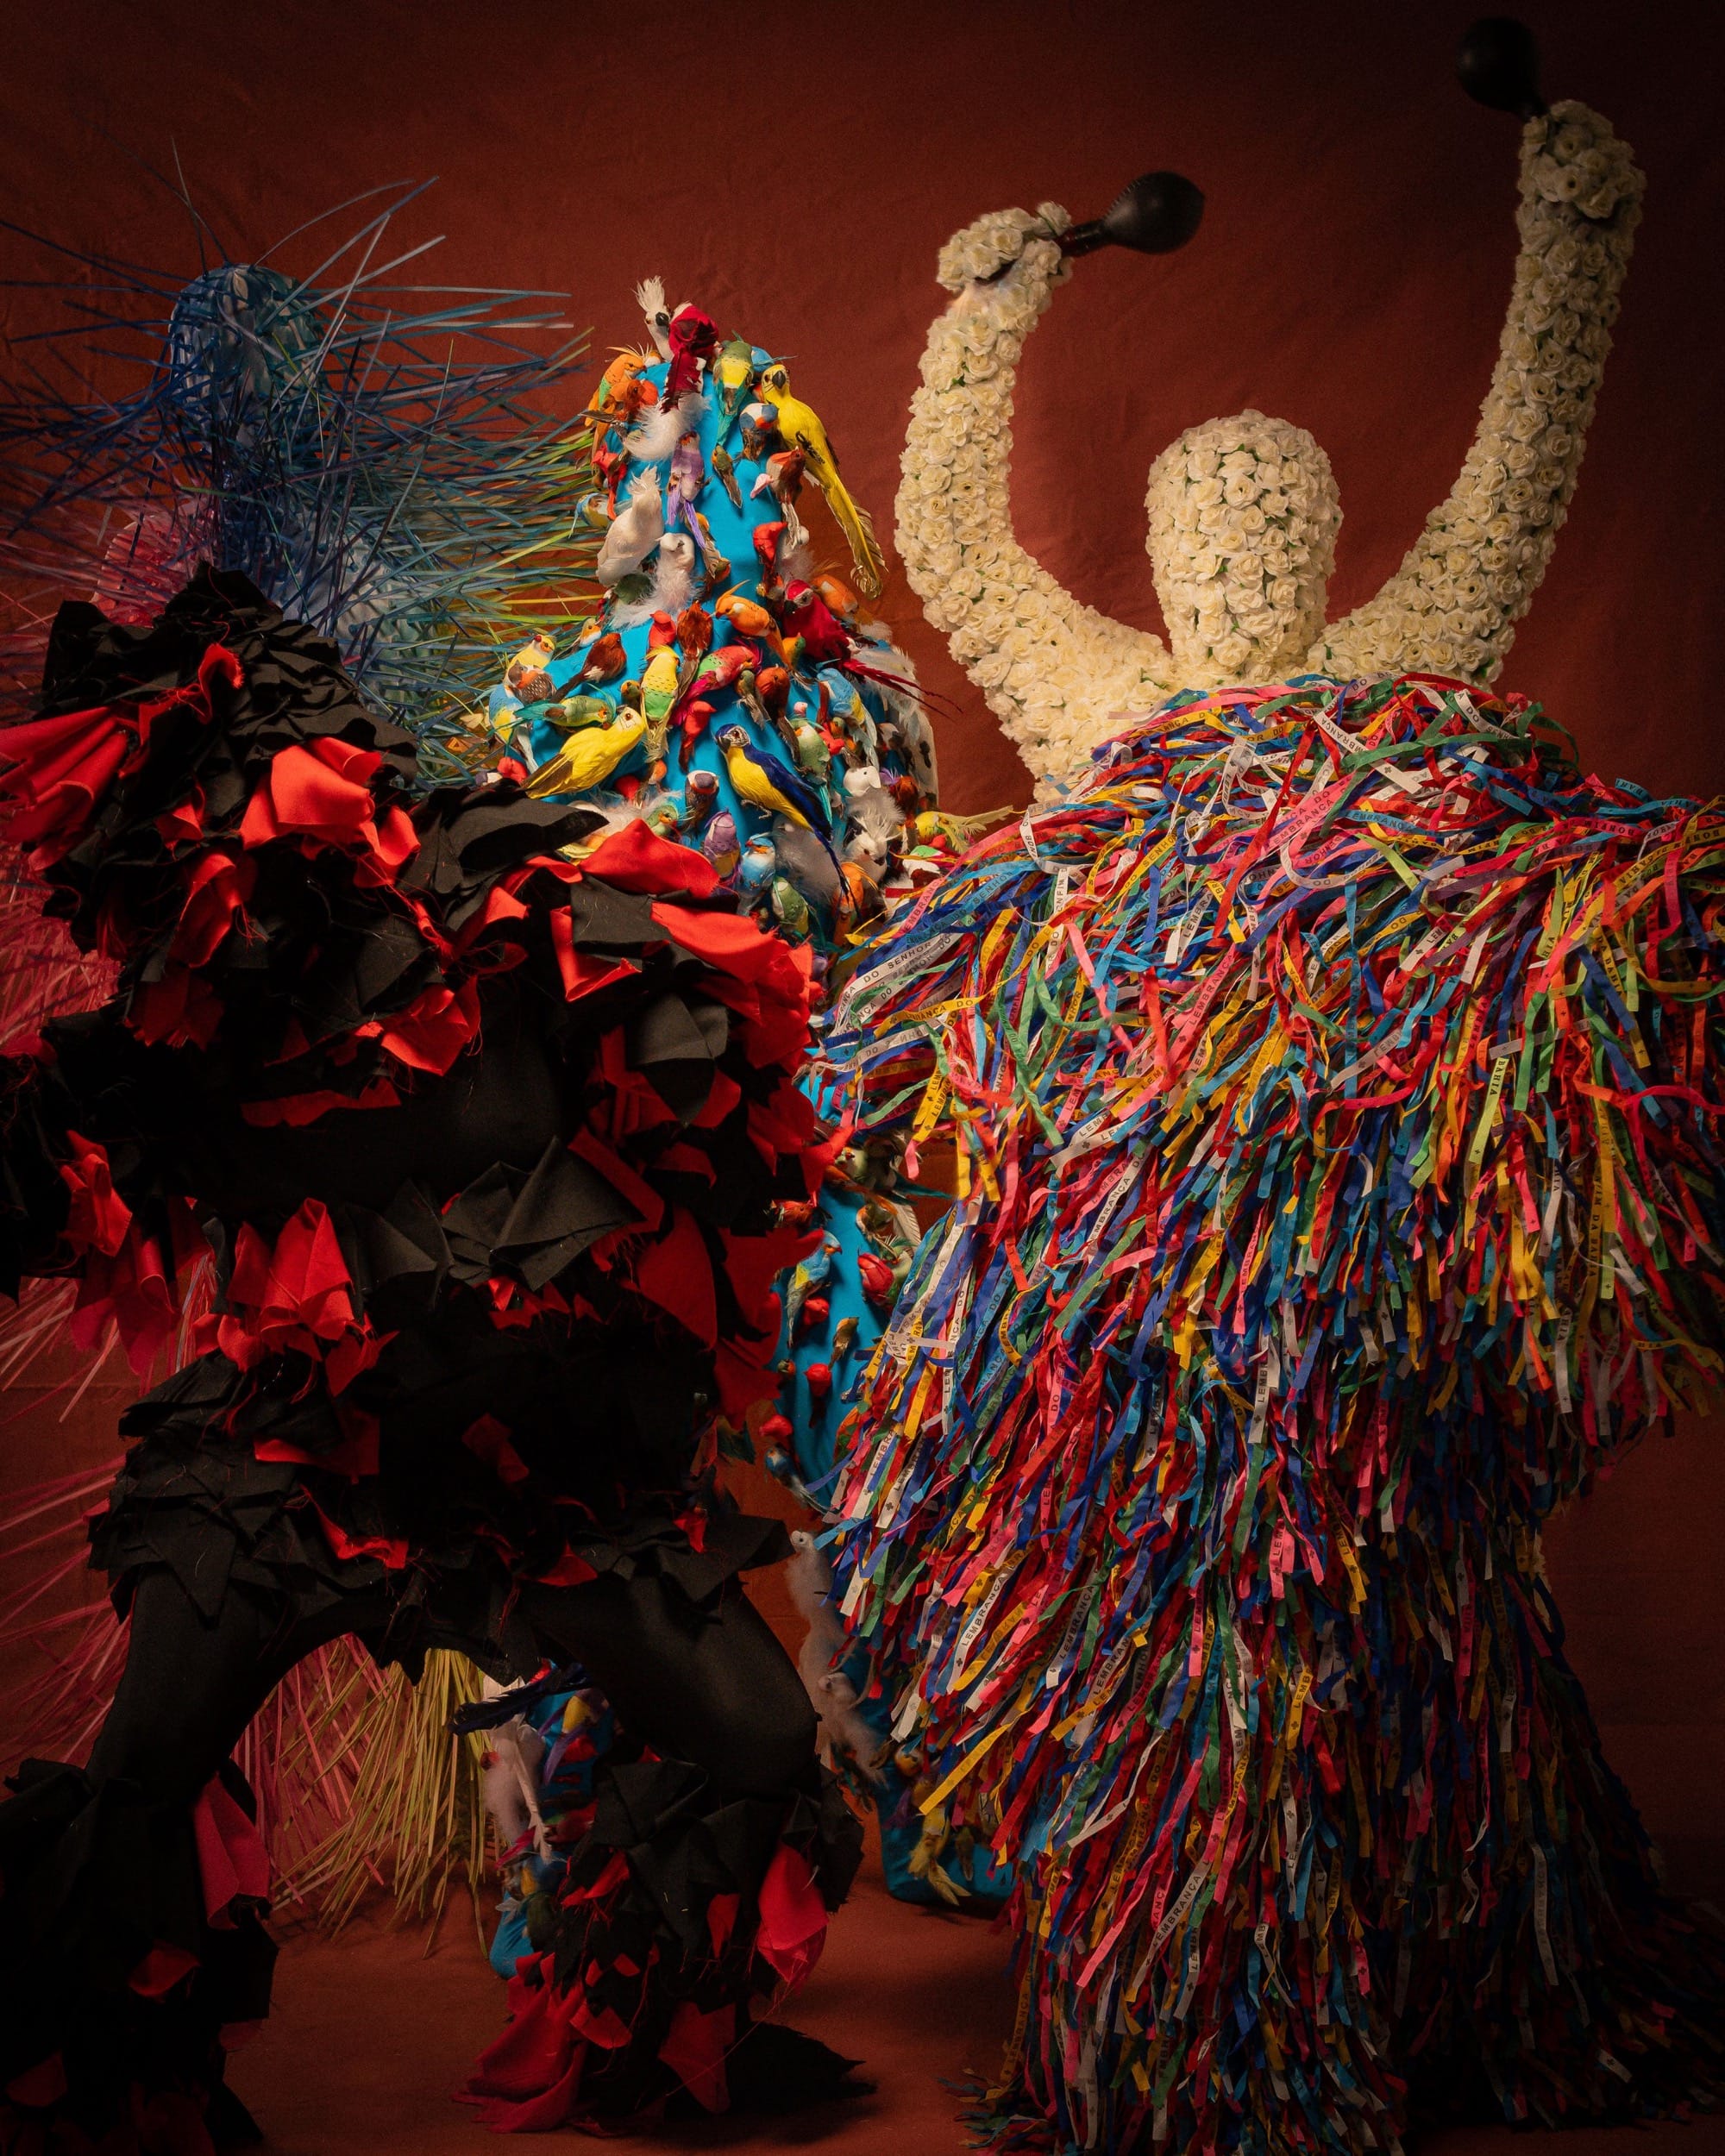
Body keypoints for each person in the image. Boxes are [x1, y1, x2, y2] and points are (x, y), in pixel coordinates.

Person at [820, 63, 1725, 2156]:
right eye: (1210, 522)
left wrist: (1573, 231)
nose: (1241, 546)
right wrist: (990, 306)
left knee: (1417, 1625)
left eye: (1276, 518)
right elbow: (948, 535)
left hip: (1369, 1281)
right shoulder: (1092, 688)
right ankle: (1217, 2029)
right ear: (1156, 542)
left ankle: (1453, 1974)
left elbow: (1520, 466)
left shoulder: (1406, 658)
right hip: (1143, 1314)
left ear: (1325, 539)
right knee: (1201, 1652)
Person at [0, 566, 860, 2151]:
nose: (191, 902)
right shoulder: (171, 1036)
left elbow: (720, 1108)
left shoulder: (506, 909)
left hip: (543, 1474)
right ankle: (114, 2093)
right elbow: (44, 1183)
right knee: (138, 1783)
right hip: (301, 1471)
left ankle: (646, 2044)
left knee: (759, 1746)